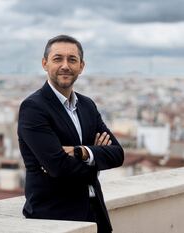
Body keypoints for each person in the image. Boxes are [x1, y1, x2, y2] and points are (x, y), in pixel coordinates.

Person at [17, 35, 124, 233]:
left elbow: (118, 154)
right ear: (44, 64)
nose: (65, 65)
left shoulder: (87, 106)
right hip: (53, 218)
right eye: (58, 59)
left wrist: (82, 152)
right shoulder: (33, 108)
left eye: (72, 59)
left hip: (95, 214)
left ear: (81, 66)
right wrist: (96, 158)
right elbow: (58, 167)